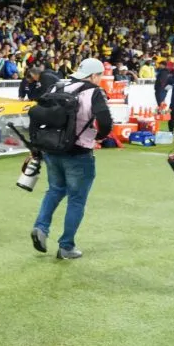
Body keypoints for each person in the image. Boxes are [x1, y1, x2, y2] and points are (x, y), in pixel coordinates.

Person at [30, 57, 113, 260]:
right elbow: (105, 121)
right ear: (94, 75)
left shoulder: (58, 86)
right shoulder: (93, 92)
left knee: (55, 190)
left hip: (52, 149)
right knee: (76, 200)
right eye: (100, 76)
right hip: (79, 152)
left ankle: (41, 227)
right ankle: (66, 246)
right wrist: (98, 137)